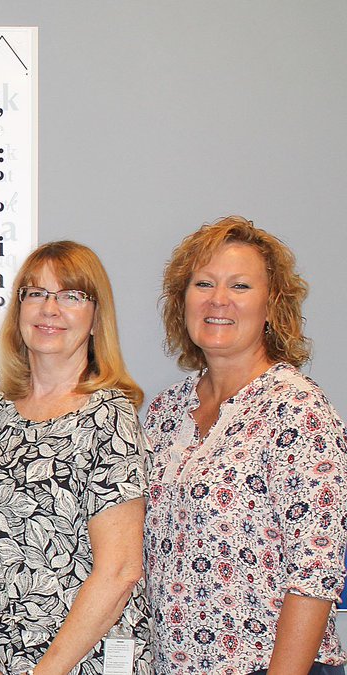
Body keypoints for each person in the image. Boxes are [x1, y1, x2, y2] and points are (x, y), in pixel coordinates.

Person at [144, 216, 347, 675]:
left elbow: (315, 572)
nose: (219, 300)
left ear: (272, 306)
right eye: (204, 283)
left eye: (239, 286)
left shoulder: (296, 407)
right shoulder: (164, 413)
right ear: (183, 303)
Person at [0, 241, 152, 675]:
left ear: (95, 320)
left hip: (84, 665)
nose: (49, 309)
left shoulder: (109, 416)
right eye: (35, 293)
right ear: (19, 312)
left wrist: (45, 673)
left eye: (71, 295)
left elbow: (120, 570)